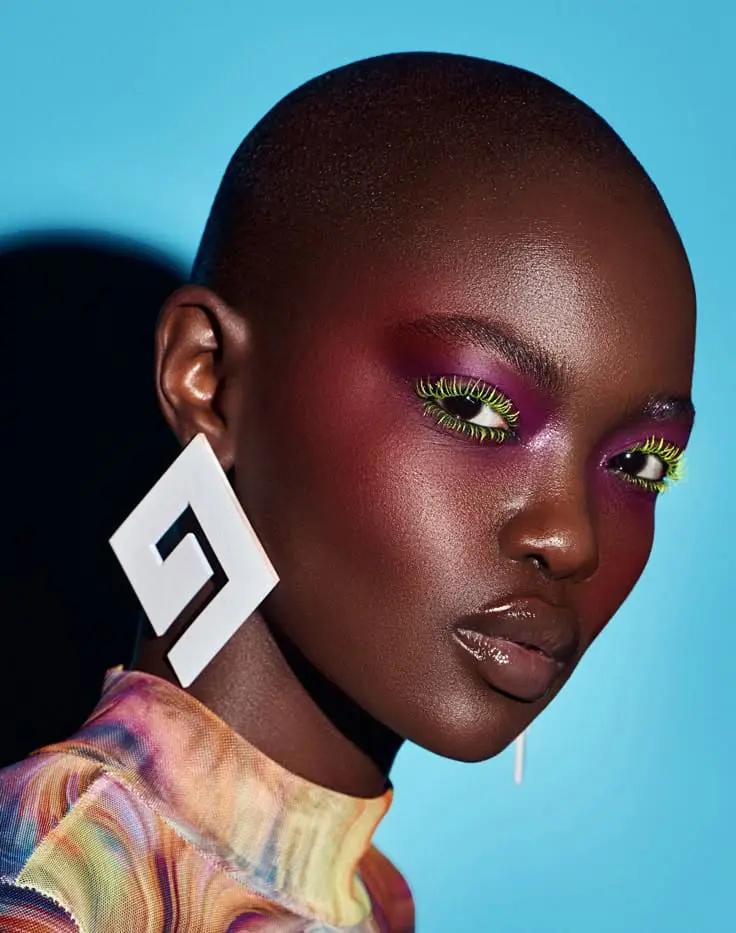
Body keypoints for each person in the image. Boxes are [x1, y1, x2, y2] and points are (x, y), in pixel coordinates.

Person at [0, 52, 695, 932]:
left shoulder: (369, 899)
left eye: (642, 464)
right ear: (206, 377)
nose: (570, 538)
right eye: (475, 407)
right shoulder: (59, 888)